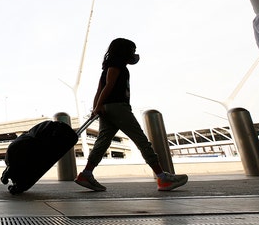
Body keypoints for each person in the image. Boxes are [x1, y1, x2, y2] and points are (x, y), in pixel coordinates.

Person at [74, 38, 188, 192]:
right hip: (118, 107)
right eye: (132, 50)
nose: (134, 54)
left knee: (102, 142)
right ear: (124, 52)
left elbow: (98, 90)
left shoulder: (107, 67)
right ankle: (162, 178)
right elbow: (108, 86)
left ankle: (86, 174)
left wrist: (97, 108)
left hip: (107, 108)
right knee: (140, 140)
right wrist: (98, 106)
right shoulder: (117, 66)